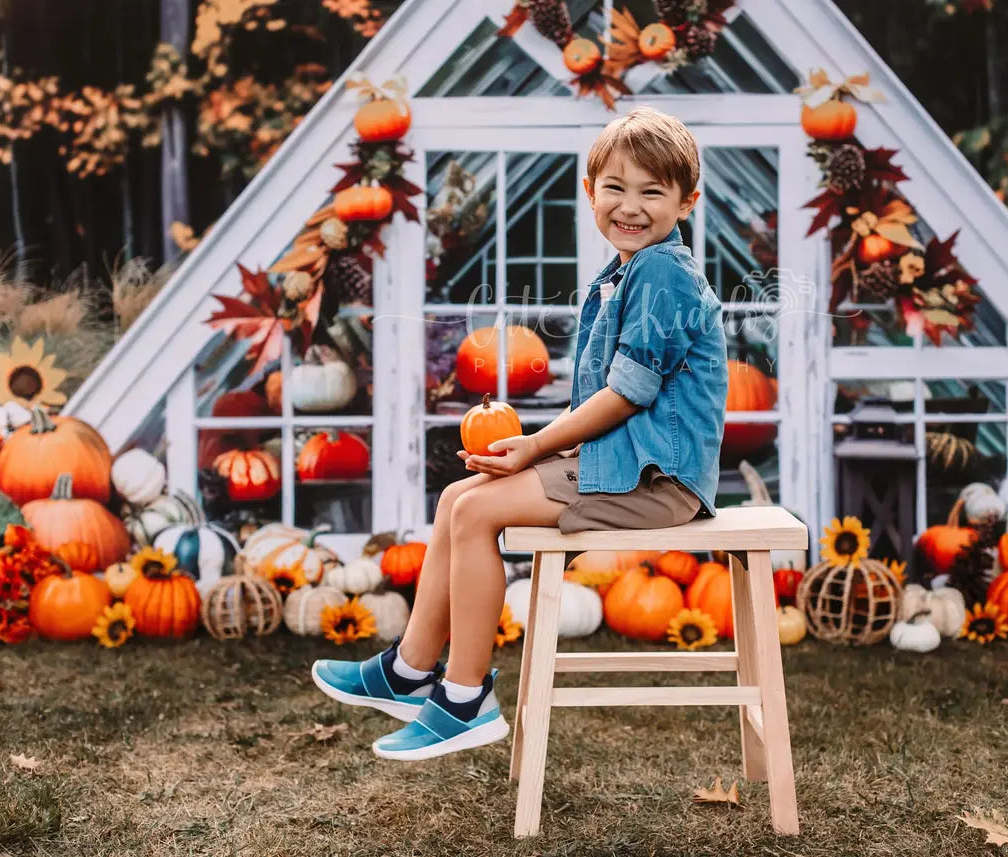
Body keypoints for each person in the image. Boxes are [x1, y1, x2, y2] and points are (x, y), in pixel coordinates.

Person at [312, 106, 727, 761]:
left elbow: (630, 394)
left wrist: (537, 446)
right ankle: (410, 669)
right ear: (590, 192)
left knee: (475, 512)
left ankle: (464, 699)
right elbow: (608, 399)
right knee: (457, 499)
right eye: (616, 187)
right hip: (626, 462)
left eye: (653, 191)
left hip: (659, 478)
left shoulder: (662, 272)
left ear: (687, 201)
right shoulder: (626, 273)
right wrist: (551, 446)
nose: (631, 205)